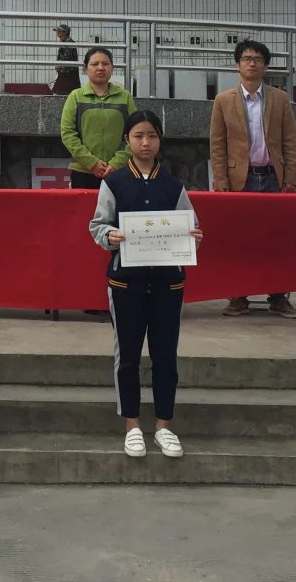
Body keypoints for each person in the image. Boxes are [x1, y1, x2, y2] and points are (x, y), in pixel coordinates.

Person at [88, 110, 203, 458]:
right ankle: (133, 425)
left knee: (165, 356)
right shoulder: (114, 183)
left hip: (168, 284)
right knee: (127, 356)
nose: (145, 142)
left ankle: (164, 426)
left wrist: (194, 237)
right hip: (126, 284)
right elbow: (97, 225)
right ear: (127, 140)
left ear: (159, 141)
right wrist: (110, 235)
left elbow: (191, 226)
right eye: (138, 136)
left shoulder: (173, 185)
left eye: (152, 136)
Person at [208, 39, 296, 319]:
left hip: (273, 178)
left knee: (277, 238)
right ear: (237, 65)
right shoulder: (223, 100)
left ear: (266, 66)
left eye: (258, 59)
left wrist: (291, 177)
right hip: (240, 180)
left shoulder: (279, 98)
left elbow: (290, 140)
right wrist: (221, 183)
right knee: (239, 239)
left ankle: (278, 296)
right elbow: (218, 145)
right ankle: (238, 296)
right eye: (247, 58)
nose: (252, 63)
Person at [59, 46, 136, 190]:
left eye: (105, 63)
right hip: (83, 172)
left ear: (112, 68)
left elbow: (135, 133)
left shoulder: (125, 97)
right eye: (95, 64)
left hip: (119, 171)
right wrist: (91, 163)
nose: (100, 68)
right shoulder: (75, 96)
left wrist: (117, 163)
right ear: (85, 68)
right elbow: (68, 133)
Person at [50, 24, 80, 95]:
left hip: (68, 72)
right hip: (66, 71)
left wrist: (59, 64)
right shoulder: (65, 41)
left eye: (59, 31)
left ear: (65, 32)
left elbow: (67, 55)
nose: (57, 32)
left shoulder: (69, 42)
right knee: (62, 91)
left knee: (63, 91)